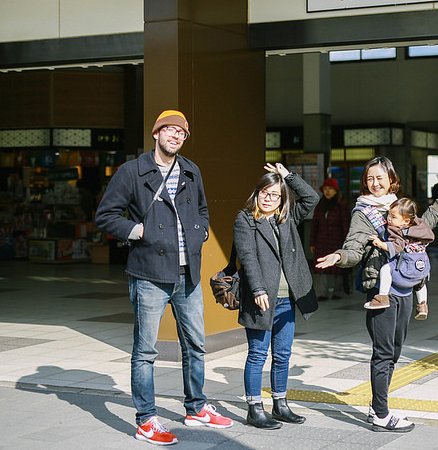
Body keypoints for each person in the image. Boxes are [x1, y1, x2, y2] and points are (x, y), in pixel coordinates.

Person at [95, 110, 233, 446]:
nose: (176, 135)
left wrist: (199, 233)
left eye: (182, 132)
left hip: (188, 274)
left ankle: (196, 408)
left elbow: (202, 209)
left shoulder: (190, 169)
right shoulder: (132, 171)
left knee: (195, 346)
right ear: (156, 134)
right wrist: (136, 230)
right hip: (149, 275)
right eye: (169, 130)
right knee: (145, 351)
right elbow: (105, 215)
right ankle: (145, 420)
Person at [316, 156, 438, 432]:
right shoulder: (363, 212)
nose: (374, 183)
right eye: (369, 178)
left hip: (405, 287)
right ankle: (381, 414)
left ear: (391, 180)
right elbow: (355, 246)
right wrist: (339, 255)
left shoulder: (397, 206)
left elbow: (418, 229)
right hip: (380, 290)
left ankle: (376, 405)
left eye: (379, 177)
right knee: (383, 352)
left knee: (394, 351)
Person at [233, 163, 320, 430]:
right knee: (258, 354)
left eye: (275, 194)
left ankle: (280, 404)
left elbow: (312, 198)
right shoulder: (245, 219)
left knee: (282, 355)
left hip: (287, 298)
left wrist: (288, 177)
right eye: (264, 193)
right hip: (262, 297)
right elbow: (247, 258)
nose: (269, 199)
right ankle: (254, 408)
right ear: (256, 193)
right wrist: (258, 289)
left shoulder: (286, 218)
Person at [365, 197, 435, 321]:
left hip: (405, 271)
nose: (389, 219)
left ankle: (382, 297)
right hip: (422, 268)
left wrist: (380, 243)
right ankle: (422, 305)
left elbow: (396, 247)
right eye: (389, 215)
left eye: (393, 217)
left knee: (386, 269)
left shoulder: (399, 231)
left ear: (406, 220)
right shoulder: (420, 225)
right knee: (421, 283)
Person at [309, 178, 350, 301]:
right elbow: (314, 225)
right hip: (321, 241)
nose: (327, 192)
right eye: (325, 189)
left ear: (336, 191)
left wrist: (346, 243)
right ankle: (322, 293)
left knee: (338, 267)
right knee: (321, 267)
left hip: (337, 241)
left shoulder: (341, 206)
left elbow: (346, 226)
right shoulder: (320, 206)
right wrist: (312, 242)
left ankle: (338, 292)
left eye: (330, 189)